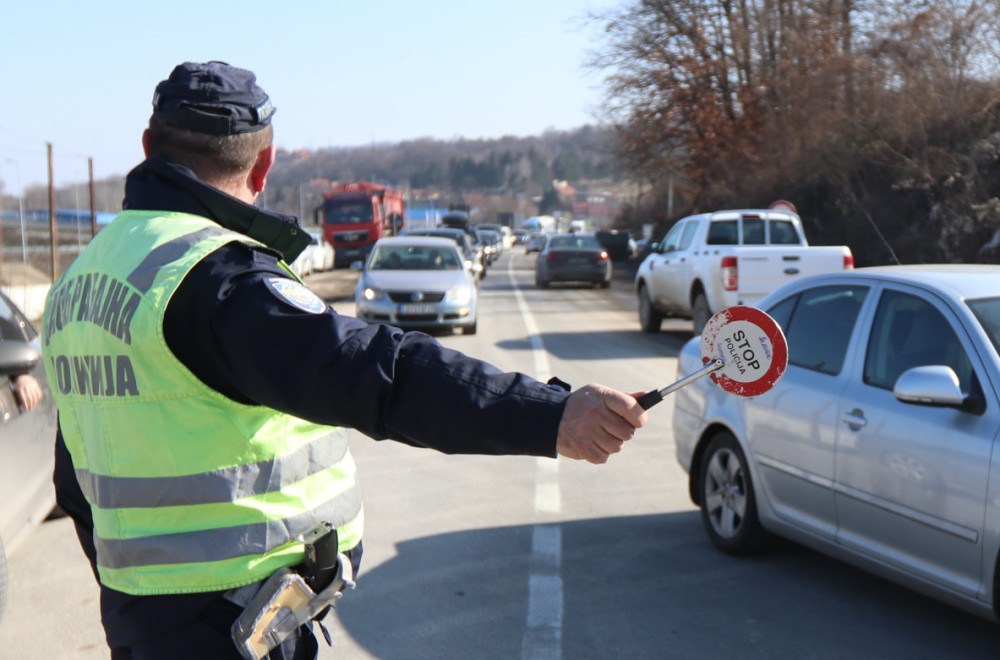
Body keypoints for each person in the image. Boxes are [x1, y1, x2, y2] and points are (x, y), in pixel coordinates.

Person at [42, 61, 647, 660]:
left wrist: (138, 592)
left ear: (148, 148)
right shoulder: (218, 278)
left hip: (139, 613)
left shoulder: (81, 280)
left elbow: (76, 474)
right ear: (265, 163)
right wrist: (550, 414)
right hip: (229, 620)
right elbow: (381, 374)